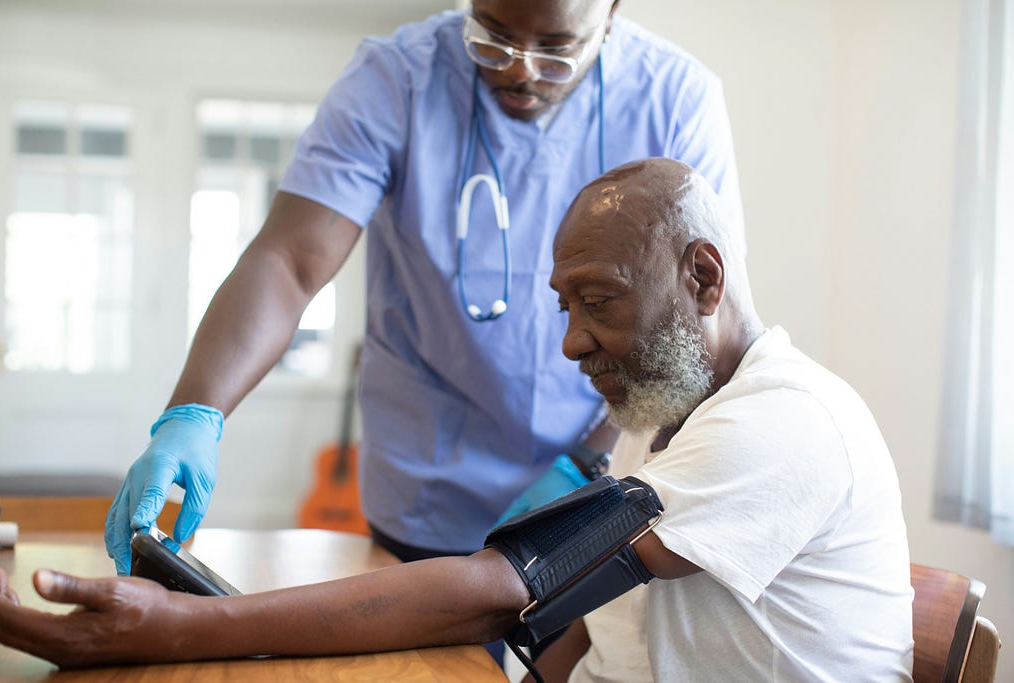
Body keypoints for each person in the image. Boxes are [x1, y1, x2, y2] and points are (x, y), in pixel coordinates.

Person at [0, 159, 913, 681]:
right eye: (562, 304)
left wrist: (176, 629)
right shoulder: (663, 420)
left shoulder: (786, 425)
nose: (570, 342)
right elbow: (587, 622)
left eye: (597, 300)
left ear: (703, 279)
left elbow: (504, 584)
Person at [104, 0, 745, 576]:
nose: (519, 72)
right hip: (424, 484)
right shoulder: (396, 79)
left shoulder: (676, 98)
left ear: (610, 11)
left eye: (555, 51)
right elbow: (291, 260)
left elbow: (691, 318)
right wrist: (196, 412)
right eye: (490, 38)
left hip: (588, 484)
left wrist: (587, 461)